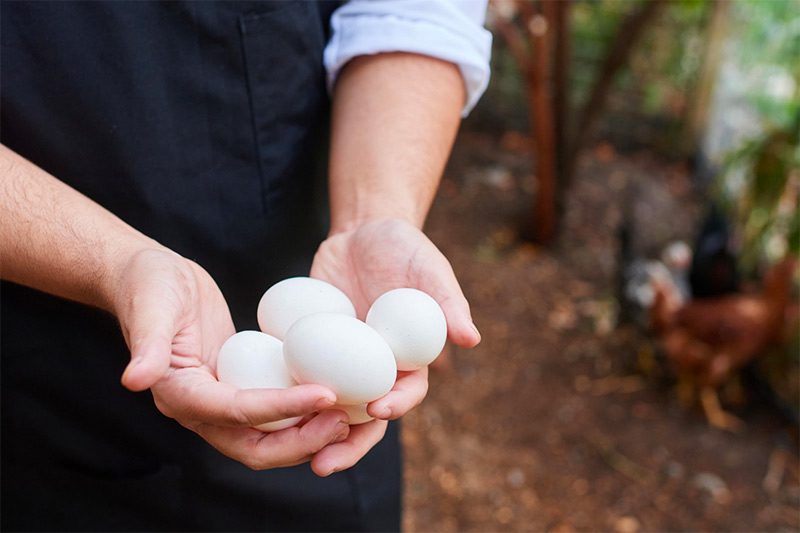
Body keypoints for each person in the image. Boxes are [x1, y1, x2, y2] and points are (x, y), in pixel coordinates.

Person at [0, 1, 491, 530]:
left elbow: (413, 12)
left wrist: (374, 215)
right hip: (50, 371)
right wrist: (118, 264)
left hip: (317, 328)